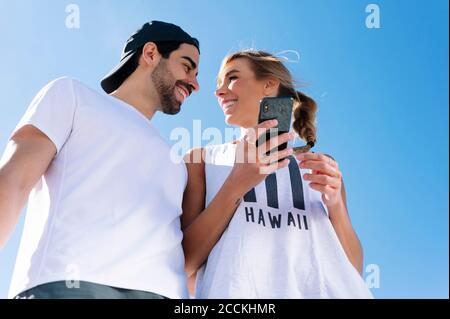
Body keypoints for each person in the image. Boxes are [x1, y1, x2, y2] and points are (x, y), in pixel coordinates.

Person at [0, 21, 200, 299]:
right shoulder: (73, 96)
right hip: (68, 286)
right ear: (151, 53)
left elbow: (185, 258)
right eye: (187, 67)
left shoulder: (178, 164)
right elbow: (13, 181)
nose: (195, 83)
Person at [181, 50, 373, 298]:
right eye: (219, 84)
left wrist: (335, 205)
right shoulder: (202, 160)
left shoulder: (321, 166)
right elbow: (184, 263)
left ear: (270, 84)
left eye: (232, 78)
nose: (219, 91)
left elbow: (352, 270)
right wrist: (236, 185)